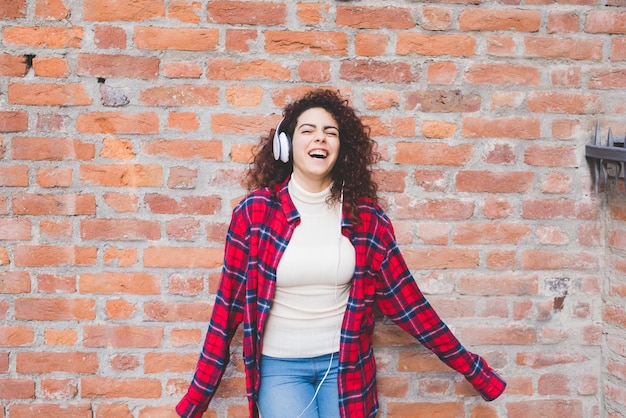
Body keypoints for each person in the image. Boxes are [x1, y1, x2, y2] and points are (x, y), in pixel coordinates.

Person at [176, 89, 506, 418]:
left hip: (346, 368)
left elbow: (411, 306)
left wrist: (475, 371)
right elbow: (227, 310)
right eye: (308, 130)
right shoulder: (255, 213)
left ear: (340, 148)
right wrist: (195, 402)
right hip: (280, 369)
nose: (319, 138)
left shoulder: (367, 219)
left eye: (329, 132)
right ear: (286, 145)